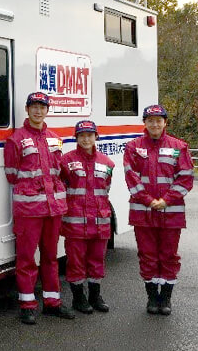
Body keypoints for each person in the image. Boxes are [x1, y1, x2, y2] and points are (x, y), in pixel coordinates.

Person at [4, 92, 74, 324]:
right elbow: (12, 175)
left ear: (47, 110)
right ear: (27, 109)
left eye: (42, 107)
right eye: (34, 106)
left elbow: (59, 171)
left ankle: (52, 303)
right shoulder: (16, 140)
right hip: (29, 211)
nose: (38, 110)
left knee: (51, 258)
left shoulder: (55, 139)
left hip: (53, 210)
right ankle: (27, 304)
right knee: (26, 259)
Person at [123, 104, 193, 315]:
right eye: (150, 120)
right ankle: (152, 298)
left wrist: (166, 200)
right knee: (147, 255)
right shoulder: (133, 147)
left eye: (159, 120)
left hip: (171, 212)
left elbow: (186, 177)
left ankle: (166, 299)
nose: (155, 124)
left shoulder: (179, 146)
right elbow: (131, 176)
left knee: (169, 255)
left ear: (165, 123)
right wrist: (148, 200)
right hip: (142, 211)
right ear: (144, 123)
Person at [60, 120, 114, 314]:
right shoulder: (65, 161)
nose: (85, 139)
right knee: (75, 262)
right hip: (75, 222)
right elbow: (62, 188)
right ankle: (78, 298)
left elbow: (105, 189)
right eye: (81, 135)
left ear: (96, 137)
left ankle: (94, 295)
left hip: (100, 222)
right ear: (76, 138)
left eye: (89, 135)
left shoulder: (107, 163)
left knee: (97, 260)